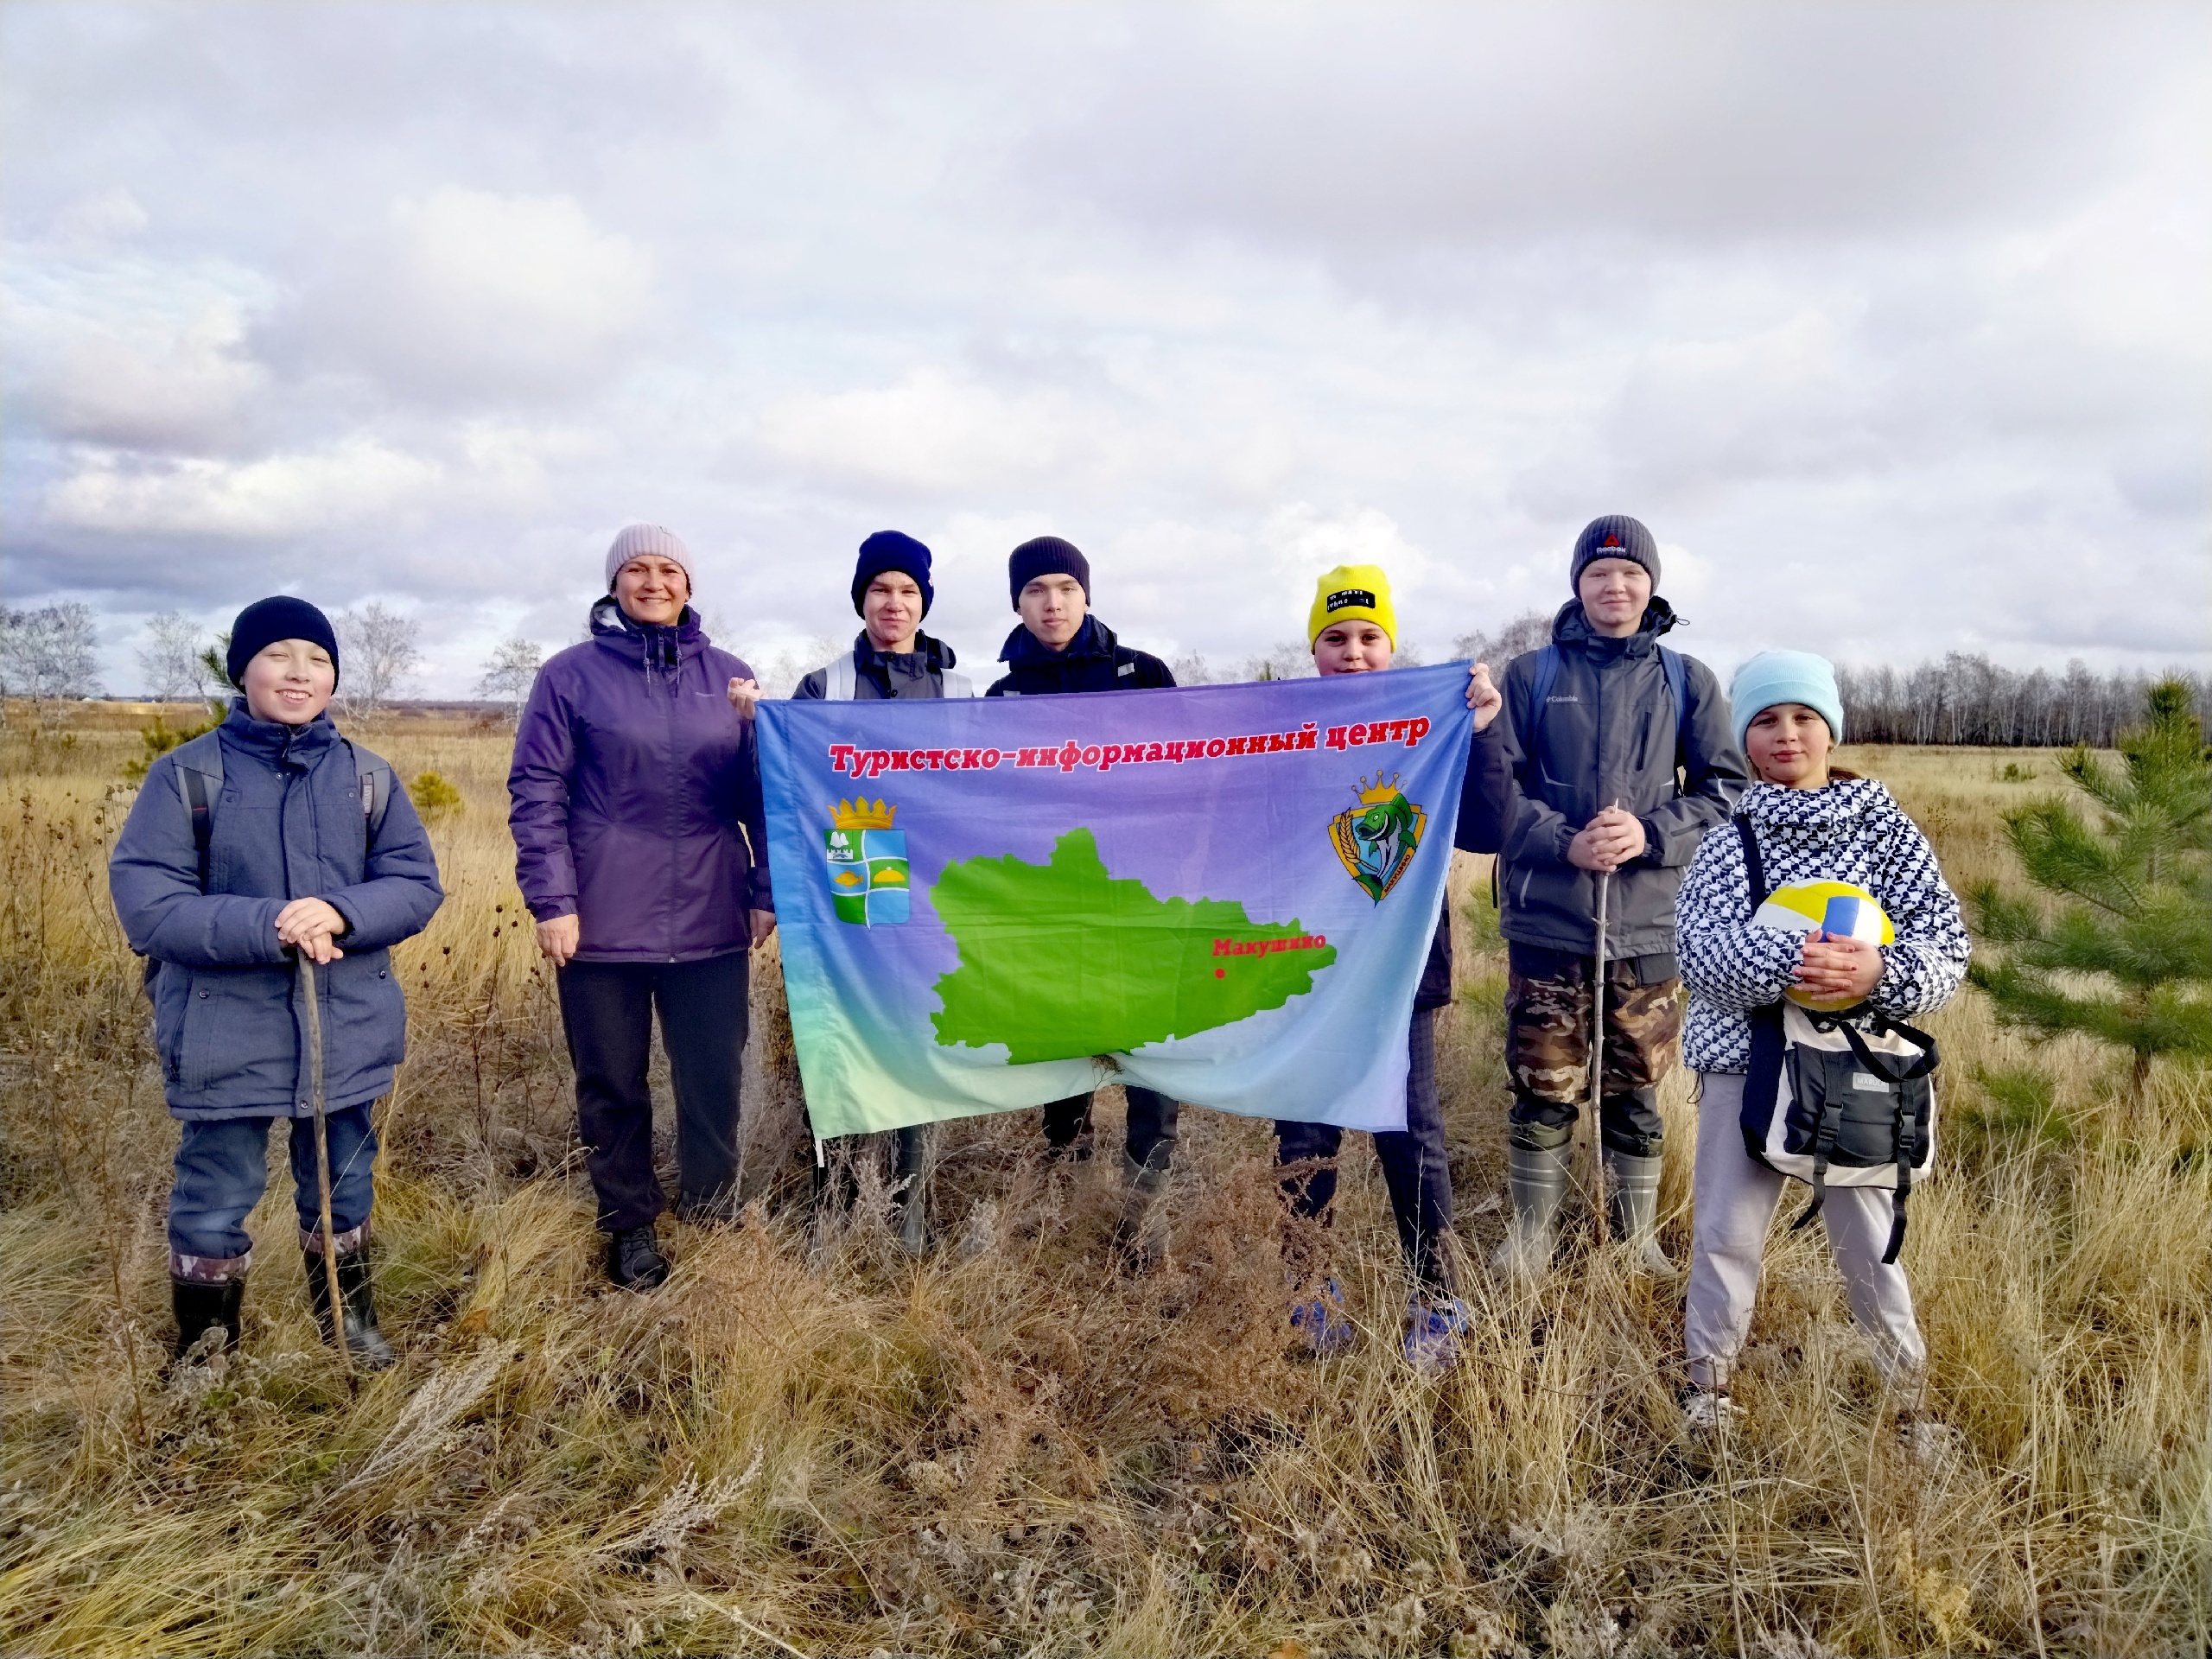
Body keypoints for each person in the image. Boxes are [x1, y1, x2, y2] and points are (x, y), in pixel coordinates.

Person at [111, 596, 445, 1369]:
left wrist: (339, 911)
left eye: (318, 659)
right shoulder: (187, 776)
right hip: (224, 1028)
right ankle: (205, 1352)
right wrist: (272, 924)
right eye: (278, 655)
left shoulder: (368, 777)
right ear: (243, 669)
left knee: (344, 1186)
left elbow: (415, 882)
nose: (299, 673)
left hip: (347, 1024)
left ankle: (348, 1325)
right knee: (216, 1193)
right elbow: (151, 908)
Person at [1674, 651, 1969, 1428]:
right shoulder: (1726, 839)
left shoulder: (1886, 833)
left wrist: (1876, 973)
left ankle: (1910, 1407)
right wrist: (1794, 959)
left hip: (1860, 1069)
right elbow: (1699, 955)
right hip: (1747, 1064)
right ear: (1745, 736)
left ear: (1830, 730)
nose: (1786, 736)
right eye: (1766, 721)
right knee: (1726, 1235)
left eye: (1804, 718)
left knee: (1871, 1245)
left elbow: (1945, 949)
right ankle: (1708, 1391)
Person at [508, 524, 774, 1291]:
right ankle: (628, 1225)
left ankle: (714, 1208)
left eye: (667, 569)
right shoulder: (569, 676)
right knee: (613, 1081)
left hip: (711, 913)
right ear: (614, 585)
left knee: (711, 1078)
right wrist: (553, 901)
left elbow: (763, 797)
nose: (653, 582)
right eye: (636, 570)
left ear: (689, 585)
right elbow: (537, 791)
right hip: (599, 922)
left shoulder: (731, 677)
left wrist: (762, 893)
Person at [1488, 515, 1749, 1276]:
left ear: (1651, 583)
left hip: (1647, 928)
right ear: (1577, 584)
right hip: (1549, 921)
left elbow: (1723, 791)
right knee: (1543, 1084)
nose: (1616, 585)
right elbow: (1497, 789)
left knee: (1637, 1087)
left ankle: (1635, 1245)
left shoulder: (1686, 679)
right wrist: (1563, 841)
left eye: (1631, 573)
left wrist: (1651, 834)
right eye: (1600, 573)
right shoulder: (1529, 677)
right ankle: (1530, 1241)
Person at [1274, 566, 1513, 1370]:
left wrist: (1483, 730)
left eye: (1368, 637)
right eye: (1335, 639)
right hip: (1300, 969)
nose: (1353, 653)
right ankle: (1306, 1292)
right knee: (1305, 1130)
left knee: (1410, 1134)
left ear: (1391, 644)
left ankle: (1438, 1298)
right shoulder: (1280, 727)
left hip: (1399, 969)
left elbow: (1489, 826)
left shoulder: (1430, 722)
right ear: (1315, 651)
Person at [985, 535, 1180, 1266]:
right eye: (1036, 590)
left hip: (1140, 909)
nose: (1053, 602)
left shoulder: (1144, 674)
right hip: (1052, 914)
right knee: (1063, 1072)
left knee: (1148, 1066)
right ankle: (1065, 1201)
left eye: (1065, 587)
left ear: (1087, 594)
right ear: (1017, 602)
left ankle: (1143, 1215)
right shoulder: (1003, 696)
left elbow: (1198, 769)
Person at [792, 530, 970, 1253]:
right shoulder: (825, 685)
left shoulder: (960, 691)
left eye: (907, 592)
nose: (893, 604)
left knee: (915, 1040)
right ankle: (831, 1206)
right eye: (879, 590)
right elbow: (788, 772)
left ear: (924, 602)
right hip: (853, 875)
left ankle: (911, 1210)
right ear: (861, 598)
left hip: (932, 882)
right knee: (840, 1037)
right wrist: (753, 722)